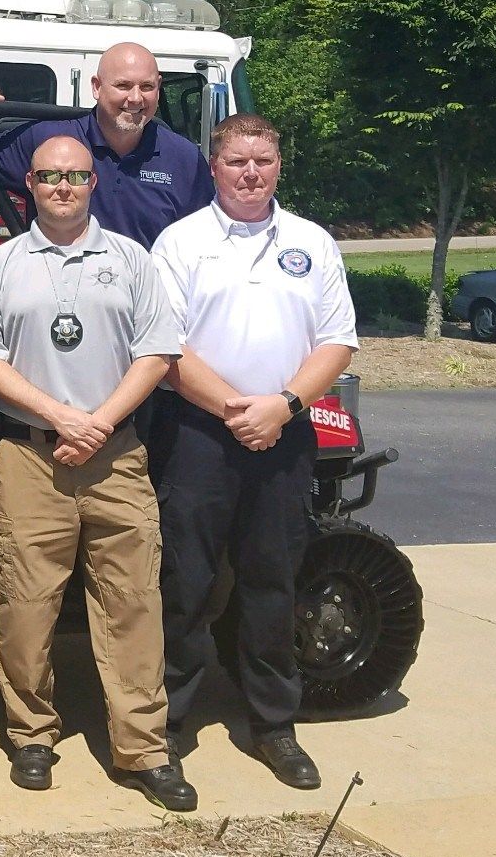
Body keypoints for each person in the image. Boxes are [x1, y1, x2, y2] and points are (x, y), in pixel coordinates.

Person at [0, 134, 197, 812]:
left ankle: (143, 748)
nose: (61, 187)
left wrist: (96, 423)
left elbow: (156, 353)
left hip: (116, 455)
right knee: (23, 607)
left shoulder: (129, 259)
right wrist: (61, 419)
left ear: (92, 183)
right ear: (30, 186)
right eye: (48, 177)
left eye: (74, 176)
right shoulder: (0, 265)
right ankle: (30, 734)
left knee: (132, 604)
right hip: (28, 457)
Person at [150, 113, 357, 790]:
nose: (250, 173)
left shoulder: (311, 243)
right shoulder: (179, 243)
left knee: (272, 586)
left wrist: (282, 406)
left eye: (262, 162)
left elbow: (336, 342)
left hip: (283, 433)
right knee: (185, 585)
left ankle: (272, 726)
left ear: (277, 167)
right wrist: (237, 411)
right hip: (200, 437)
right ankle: (166, 727)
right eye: (237, 161)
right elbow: (166, 347)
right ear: (214, 167)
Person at [0, 41, 213, 249]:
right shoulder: (48, 139)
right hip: (59, 302)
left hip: (144, 309)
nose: (135, 98)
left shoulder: (184, 158)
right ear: (96, 87)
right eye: (123, 85)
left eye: (146, 87)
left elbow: (201, 242)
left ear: (158, 87)